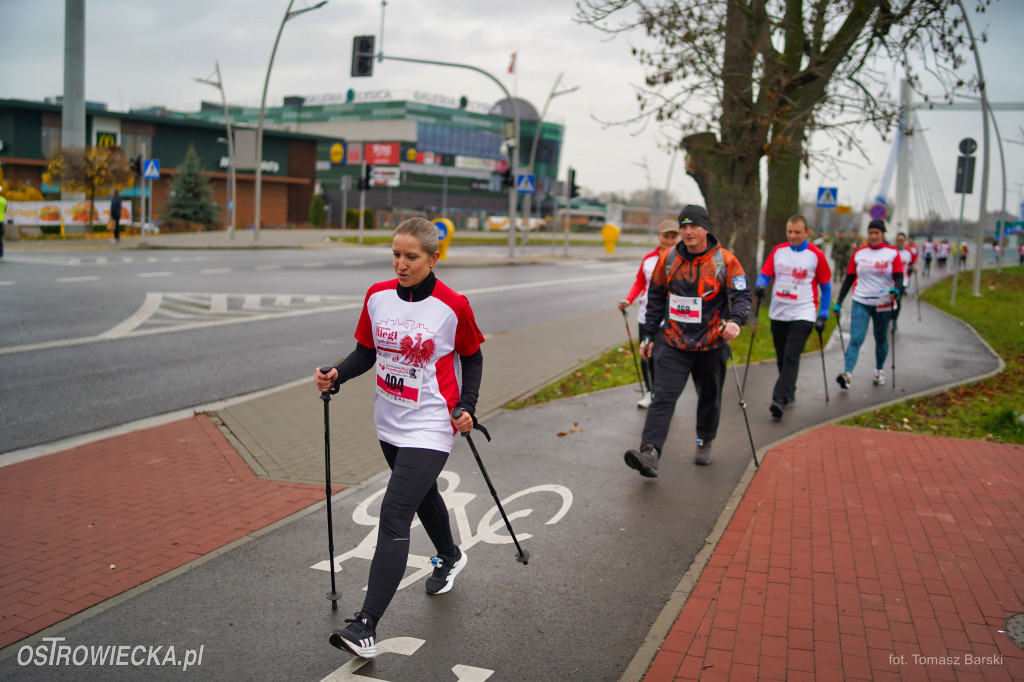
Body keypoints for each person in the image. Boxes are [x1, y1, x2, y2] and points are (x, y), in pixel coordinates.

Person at [314, 217, 485, 659]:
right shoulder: (377, 296)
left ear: (434, 258)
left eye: (411, 256)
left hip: (431, 422)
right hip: (388, 420)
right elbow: (366, 352)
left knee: (394, 513)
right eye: (396, 254)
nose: (401, 264)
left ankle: (365, 625)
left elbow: (473, 356)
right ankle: (449, 554)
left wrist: (466, 406)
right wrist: (338, 374)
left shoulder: (453, 305)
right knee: (421, 494)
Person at [623, 205, 752, 475]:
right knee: (663, 397)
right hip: (673, 342)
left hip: (711, 343)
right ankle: (650, 452)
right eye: (683, 226)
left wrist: (736, 322)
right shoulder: (669, 259)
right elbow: (656, 298)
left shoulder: (724, 260)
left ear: (706, 228)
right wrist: (648, 335)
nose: (687, 231)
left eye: (693, 226)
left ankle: (704, 439)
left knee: (709, 397)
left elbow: (741, 296)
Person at [754, 215, 831, 419]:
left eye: (797, 232)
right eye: (790, 231)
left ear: (807, 232)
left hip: (803, 312)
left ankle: (779, 399)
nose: (793, 236)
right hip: (779, 312)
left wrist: (823, 314)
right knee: (782, 356)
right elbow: (765, 274)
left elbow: (826, 287)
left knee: (791, 355)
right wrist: (760, 285)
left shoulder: (816, 255)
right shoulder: (779, 251)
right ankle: (789, 390)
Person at [834, 219, 904, 389]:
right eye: (870, 233)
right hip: (861, 300)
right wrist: (839, 301)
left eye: (876, 233)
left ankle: (879, 370)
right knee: (856, 338)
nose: (873, 236)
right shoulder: (859, 253)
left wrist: (896, 290)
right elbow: (849, 278)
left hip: (883, 303)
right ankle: (847, 374)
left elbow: (899, 276)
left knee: (881, 339)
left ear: (882, 234)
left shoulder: (892, 253)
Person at [618, 220, 680, 407]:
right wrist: (628, 300)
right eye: (665, 237)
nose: (669, 241)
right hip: (647, 315)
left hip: (672, 318)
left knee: (665, 357)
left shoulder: (681, 259)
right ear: (659, 236)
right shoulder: (649, 259)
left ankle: (664, 394)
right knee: (646, 355)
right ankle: (649, 392)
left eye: (672, 237)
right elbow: (639, 283)